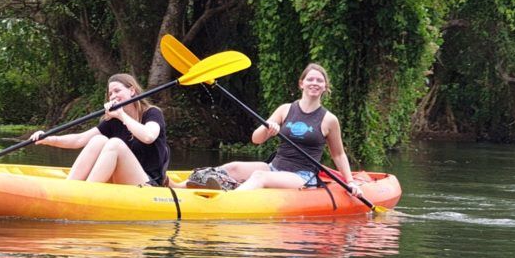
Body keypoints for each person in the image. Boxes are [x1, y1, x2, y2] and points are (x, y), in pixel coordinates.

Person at [178, 63, 360, 194]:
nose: (314, 83)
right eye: (310, 79)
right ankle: (176, 189)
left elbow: (338, 154)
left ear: (325, 87)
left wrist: (350, 182)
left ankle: (227, 201)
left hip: (302, 176)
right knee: (231, 167)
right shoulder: (285, 109)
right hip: (275, 167)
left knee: (259, 176)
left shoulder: (329, 119)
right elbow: (256, 139)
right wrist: (268, 129)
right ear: (301, 83)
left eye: (319, 81)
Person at [30, 73, 170, 186]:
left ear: (132, 91)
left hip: (147, 183)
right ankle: (70, 187)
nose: (113, 96)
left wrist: (122, 116)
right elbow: (80, 139)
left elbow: (148, 136)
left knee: (115, 144)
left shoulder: (152, 113)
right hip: (122, 180)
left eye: (117, 91)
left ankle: (87, 192)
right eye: (110, 93)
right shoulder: (113, 120)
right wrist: (48, 139)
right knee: (98, 140)